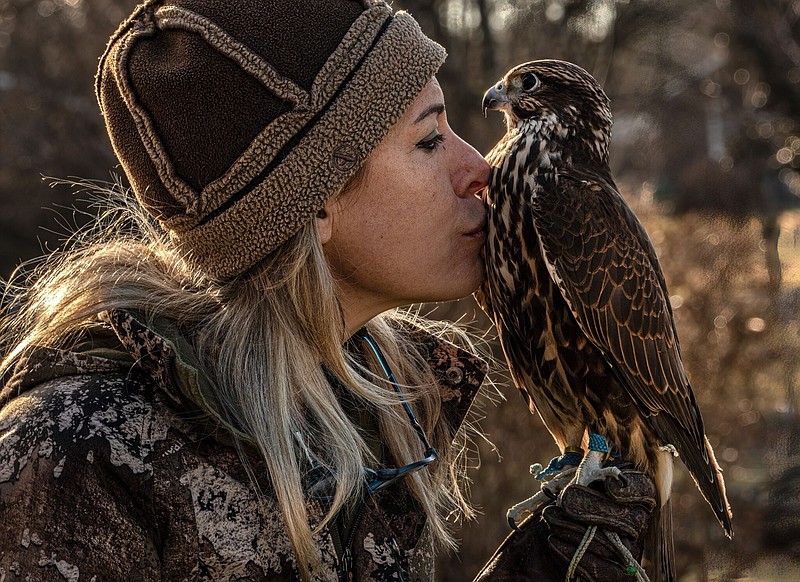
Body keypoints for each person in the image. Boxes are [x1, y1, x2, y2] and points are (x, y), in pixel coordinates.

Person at [0, 1, 656, 580]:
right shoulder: (74, 463)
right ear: (311, 204)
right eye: (429, 141)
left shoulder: (386, 411)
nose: (479, 169)